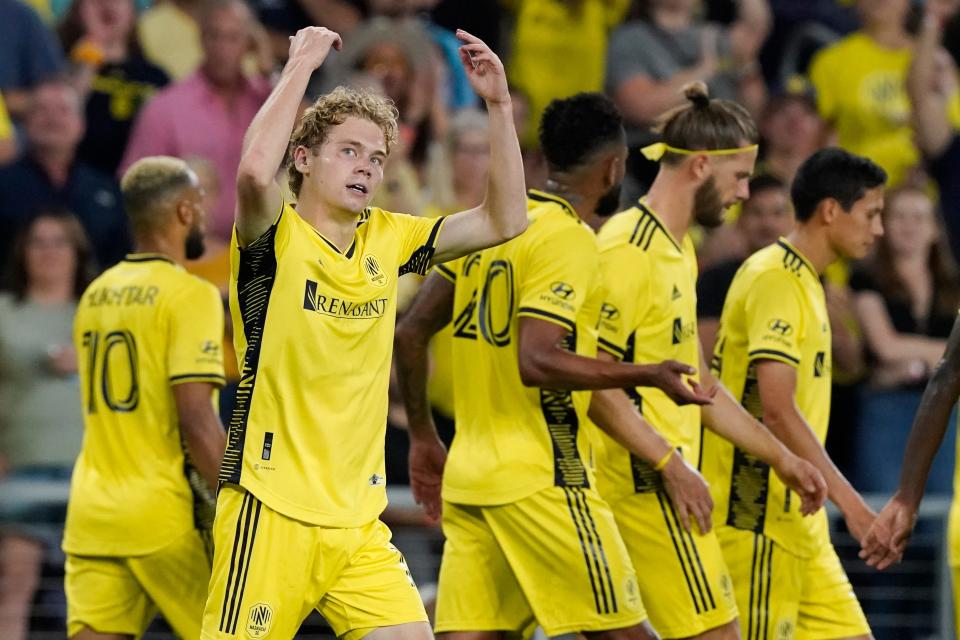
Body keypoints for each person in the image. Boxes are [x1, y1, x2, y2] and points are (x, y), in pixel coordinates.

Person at [395, 90, 824, 640]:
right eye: (740, 177)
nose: (746, 191)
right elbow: (542, 359)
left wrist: (426, 439)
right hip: (556, 476)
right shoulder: (585, 242)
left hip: (473, 474)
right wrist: (648, 384)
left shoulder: (485, 229)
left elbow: (410, 334)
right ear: (615, 165)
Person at [200, 25, 528, 639]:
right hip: (270, 507)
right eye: (349, 151)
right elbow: (250, 173)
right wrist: (299, 63)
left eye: (377, 156)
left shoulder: (389, 236)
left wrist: (500, 107)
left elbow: (505, 219)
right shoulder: (274, 235)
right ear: (303, 159)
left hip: (356, 521)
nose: (367, 167)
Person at [591, 83, 825, 640]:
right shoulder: (628, 250)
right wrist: (672, 465)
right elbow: (591, 381)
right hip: (642, 486)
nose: (745, 192)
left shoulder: (678, 248)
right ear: (700, 166)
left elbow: (702, 387)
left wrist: (783, 460)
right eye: (740, 177)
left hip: (662, 484)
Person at [702, 147, 887, 639]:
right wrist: (853, 507)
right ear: (831, 211)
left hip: (798, 525)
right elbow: (778, 411)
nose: (879, 229)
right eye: (871, 214)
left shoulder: (802, 279)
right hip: (756, 518)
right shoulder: (777, 279)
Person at [62, 155, 228, 639]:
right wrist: (241, 503)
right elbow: (196, 419)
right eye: (198, 205)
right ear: (182, 212)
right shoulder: (189, 295)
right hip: (163, 515)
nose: (204, 216)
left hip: (94, 512)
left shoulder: (95, 294)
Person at [0, 212, 94, 640]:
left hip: (92, 467)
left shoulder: (101, 310)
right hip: (21, 465)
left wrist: (90, 363)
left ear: (77, 253)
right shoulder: (4, 311)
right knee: (13, 586)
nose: (49, 252)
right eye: (38, 242)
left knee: (95, 595)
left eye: (60, 242)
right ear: (23, 252)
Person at [120, 0, 272, 243]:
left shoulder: (268, 99)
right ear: (201, 39)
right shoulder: (165, 107)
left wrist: (270, 71)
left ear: (249, 43)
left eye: (233, 38)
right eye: (215, 36)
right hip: (189, 249)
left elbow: (313, 132)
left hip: (258, 247)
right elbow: (137, 190)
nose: (223, 49)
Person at [0, 79, 131, 270]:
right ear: (25, 122)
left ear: (81, 124)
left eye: (63, 110)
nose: (52, 119)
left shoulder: (107, 190)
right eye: (41, 110)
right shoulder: (3, 185)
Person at [58, 0, 170, 175]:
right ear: (77, 10)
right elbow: (61, 116)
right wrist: (91, 50)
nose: (108, 4)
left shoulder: (156, 76)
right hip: (79, 182)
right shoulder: (59, 67)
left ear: (133, 12)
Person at [697, 173, 795, 355]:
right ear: (740, 221)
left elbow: (850, 366)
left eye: (778, 213)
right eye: (757, 213)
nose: (767, 224)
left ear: (793, 221)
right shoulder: (715, 281)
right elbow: (705, 354)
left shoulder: (811, 278)